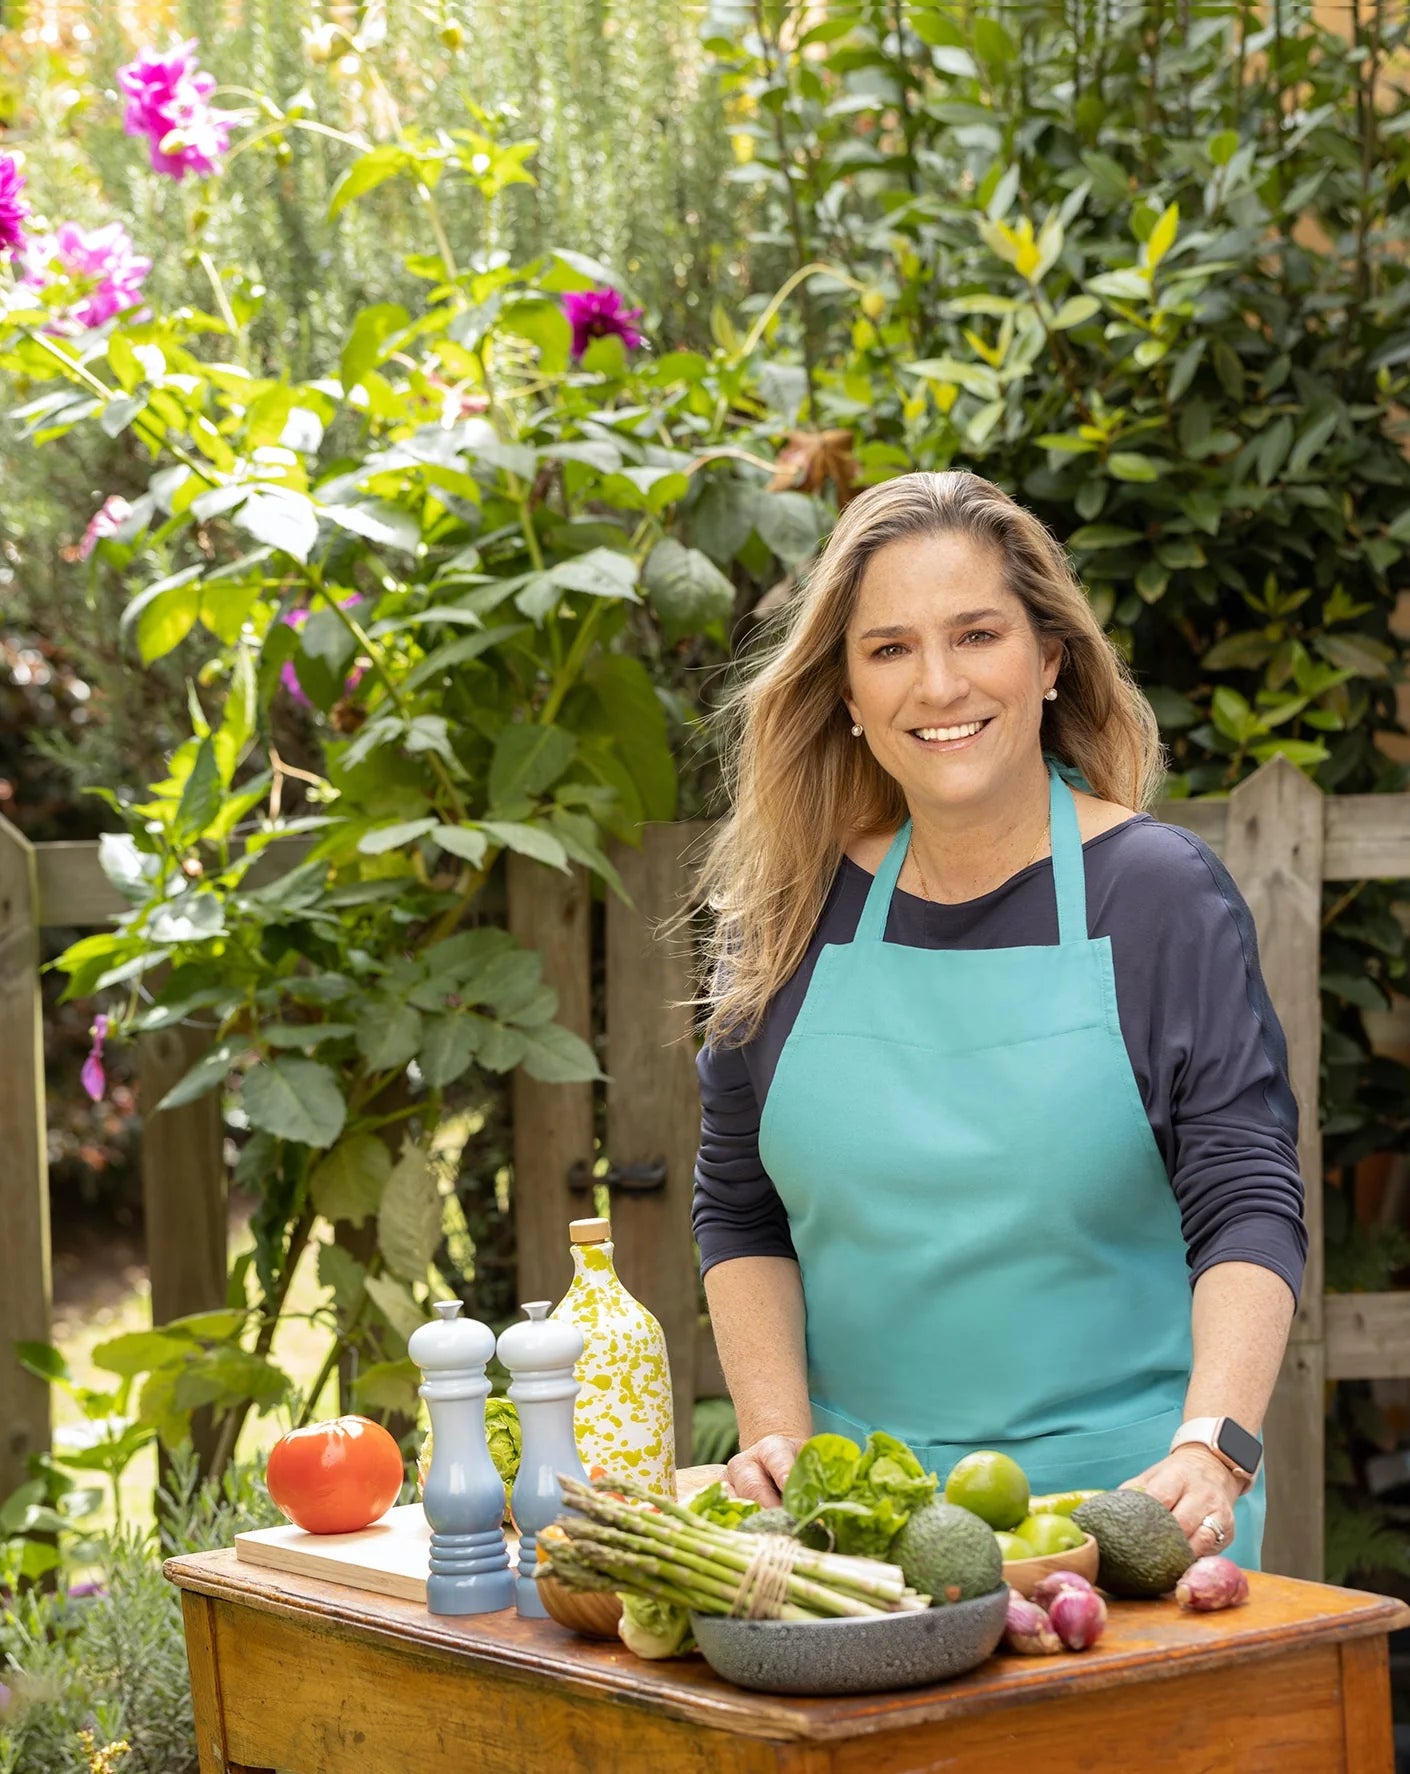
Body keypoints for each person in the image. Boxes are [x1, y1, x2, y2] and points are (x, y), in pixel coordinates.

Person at [690, 470, 1306, 1569]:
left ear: (1051, 658)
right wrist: (778, 1437)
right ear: (843, 687)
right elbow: (739, 1210)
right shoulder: (785, 914)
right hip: (856, 1541)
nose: (938, 683)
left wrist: (1215, 1446)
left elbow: (1247, 1194)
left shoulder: (1158, 895)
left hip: (1131, 1525)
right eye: (888, 649)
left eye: (977, 634)